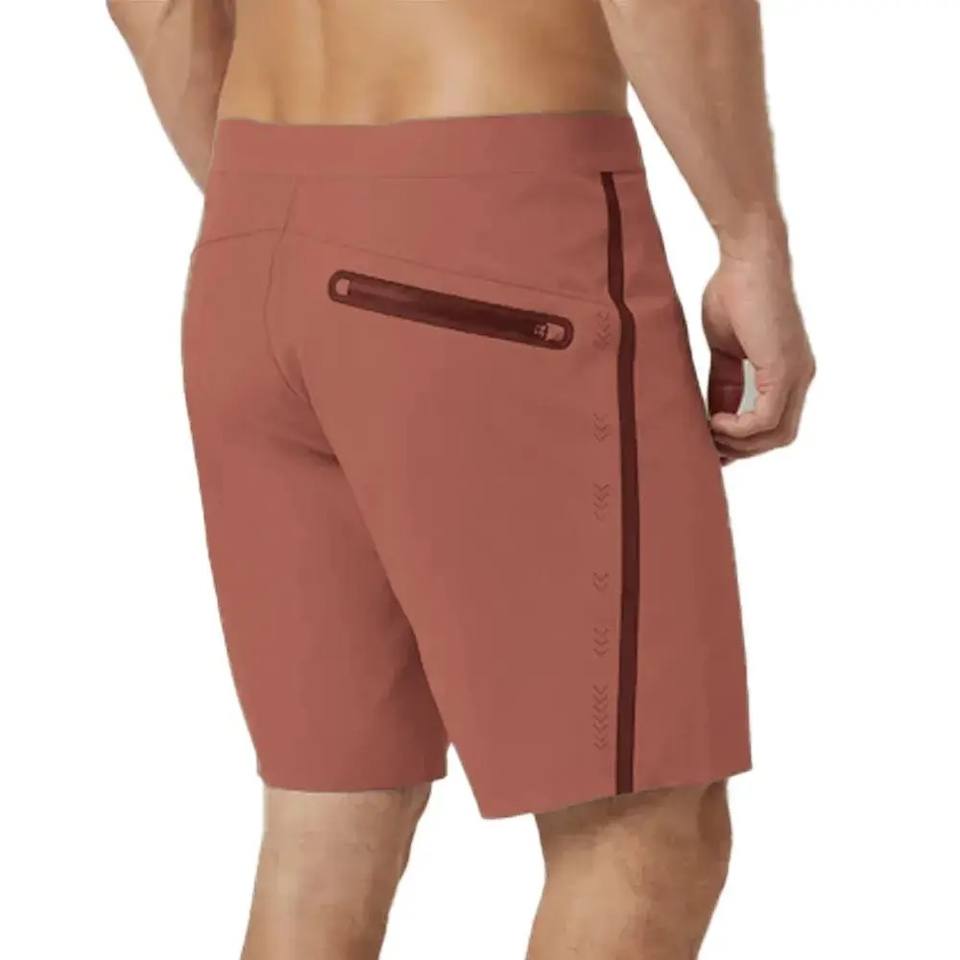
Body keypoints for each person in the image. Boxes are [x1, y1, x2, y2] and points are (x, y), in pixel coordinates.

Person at [107, 1, 815, 957]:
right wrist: (749, 239)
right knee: (642, 823)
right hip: (490, 236)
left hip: (254, 241)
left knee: (327, 838)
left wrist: (299, 210)